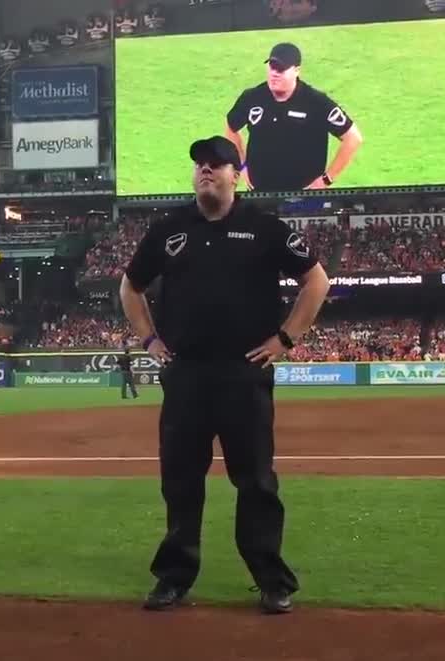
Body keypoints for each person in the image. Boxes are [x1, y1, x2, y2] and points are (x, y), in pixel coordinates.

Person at [119, 135, 331, 614]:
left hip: (243, 372)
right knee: (180, 480)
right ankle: (174, 577)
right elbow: (130, 287)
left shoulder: (266, 228)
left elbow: (316, 280)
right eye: (199, 164)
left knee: (255, 481)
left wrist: (285, 338)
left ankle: (271, 580)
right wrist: (150, 340)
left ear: (238, 174)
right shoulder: (169, 230)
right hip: (186, 373)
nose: (206, 171)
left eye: (217, 164)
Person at [224, 42, 364, 193]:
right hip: (260, 193)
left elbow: (353, 138)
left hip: (305, 197)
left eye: (281, 69)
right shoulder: (252, 97)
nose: (274, 73)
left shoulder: (316, 102)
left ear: (297, 71)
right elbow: (231, 127)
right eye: (272, 66)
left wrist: (327, 179)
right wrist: (242, 165)